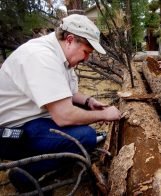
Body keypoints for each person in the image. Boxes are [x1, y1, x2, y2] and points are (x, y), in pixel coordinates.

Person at [0, 14, 121, 192]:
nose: (86, 58)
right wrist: (104, 115)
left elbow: (69, 93)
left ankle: (56, 162)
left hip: (31, 119)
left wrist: (89, 101)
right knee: (85, 137)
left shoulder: (62, 56)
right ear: (70, 40)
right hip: (11, 132)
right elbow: (64, 116)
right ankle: (25, 174)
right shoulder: (41, 57)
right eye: (86, 52)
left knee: (82, 117)